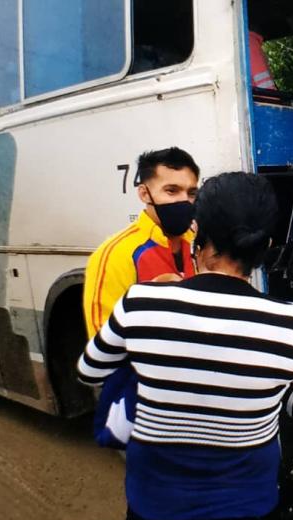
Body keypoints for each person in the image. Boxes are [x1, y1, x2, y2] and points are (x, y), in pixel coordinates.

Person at [77, 172, 293, 520]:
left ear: (199, 234)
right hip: (247, 517)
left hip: (157, 512)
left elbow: (89, 370)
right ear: (267, 246)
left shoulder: (142, 302)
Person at [82, 147, 200, 446]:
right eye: (171, 190)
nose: (183, 201)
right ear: (144, 194)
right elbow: (103, 346)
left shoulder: (197, 245)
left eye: (191, 192)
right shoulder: (115, 255)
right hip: (146, 406)